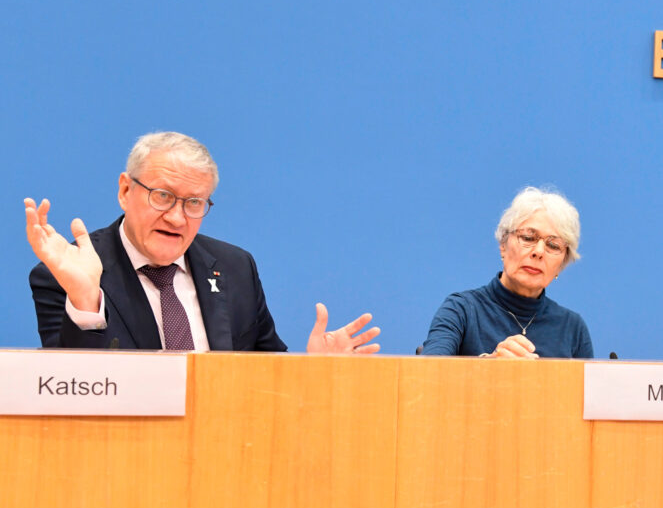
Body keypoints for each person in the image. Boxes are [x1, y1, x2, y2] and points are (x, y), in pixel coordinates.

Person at [26, 131, 380, 353]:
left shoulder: (235, 268)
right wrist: (86, 302)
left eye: (194, 202)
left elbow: (265, 378)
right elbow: (70, 391)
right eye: (163, 196)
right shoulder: (67, 275)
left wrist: (315, 372)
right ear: (125, 190)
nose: (177, 217)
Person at [421, 186, 593, 358]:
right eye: (528, 238)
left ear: (562, 263)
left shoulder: (573, 328)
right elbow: (426, 371)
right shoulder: (462, 310)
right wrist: (489, 364)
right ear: (503, 244)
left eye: (553, 246)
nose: (539, 251)